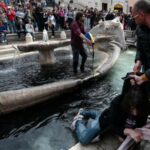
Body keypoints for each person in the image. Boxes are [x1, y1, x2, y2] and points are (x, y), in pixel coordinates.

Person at [71, 73, 149, 145]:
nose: (135, 113)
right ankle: (78, 121)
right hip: (106, 121)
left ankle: (90, 113)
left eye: (138, 109)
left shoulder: (145, 107)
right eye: (132, 109)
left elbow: (140, 123)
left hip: (109, 116)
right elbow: (111, 125)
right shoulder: (117, 102)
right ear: (127, 103)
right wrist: (128, 131)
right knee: (84, 139)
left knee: (104, 114)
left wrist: (128, 133)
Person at [129, 0, 150, 87]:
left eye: (134, 18)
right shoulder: (139, 28)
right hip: (147, 68)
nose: (134, 21)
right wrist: (138, 61)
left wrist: (143, 77)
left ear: (141, 14)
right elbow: (139, 48)